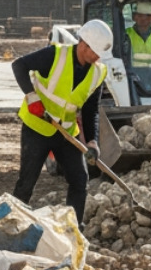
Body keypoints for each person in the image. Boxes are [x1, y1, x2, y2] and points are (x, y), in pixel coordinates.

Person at [12, 19, 112, 224]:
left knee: (79, 180)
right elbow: (19, 65)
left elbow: (91, 109)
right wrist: (32, 97)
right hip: (37, 127)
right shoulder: (55, 55)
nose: (98, 57)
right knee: (26, 183)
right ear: (83, 45)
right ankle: (11, 224)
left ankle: (74, 229)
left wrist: (92, 141)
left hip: (66, 133)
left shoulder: (98, 73)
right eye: (95, 52)